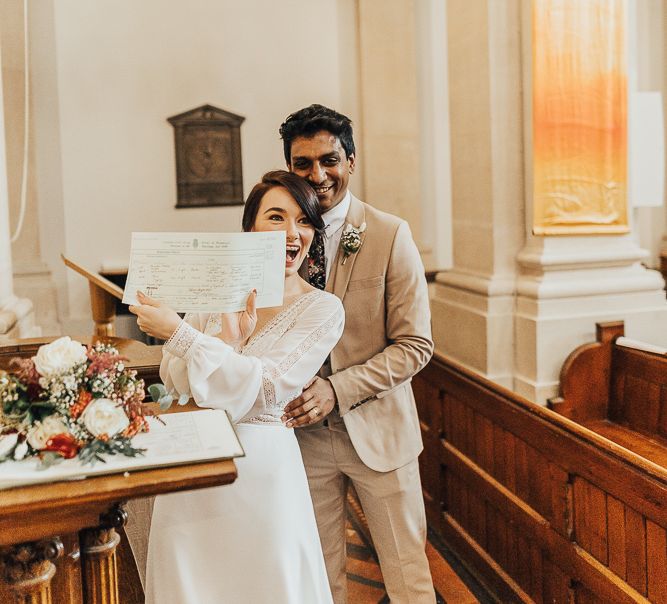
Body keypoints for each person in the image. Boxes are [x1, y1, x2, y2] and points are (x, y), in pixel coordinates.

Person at [129, 170, 344, 604]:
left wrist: (182, 335)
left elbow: (266, 389)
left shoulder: (322, 308)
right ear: (249, 230)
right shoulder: (217, 291)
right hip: (195, 467)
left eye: (304, 221)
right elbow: (177, 381)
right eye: (276, 218)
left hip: (262, 475)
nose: (292, 232)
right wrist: (224, 339)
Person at [279, 105, 436, 603]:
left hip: (379, 434)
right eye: (303, 164)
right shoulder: (275, 237)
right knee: (320, 577)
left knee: (407, 576)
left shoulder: (390, 234)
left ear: (351, 160)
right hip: (301, 439)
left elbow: (416, 346)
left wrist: (337, 389)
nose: (317, 175)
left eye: (329, 160)